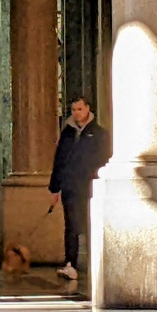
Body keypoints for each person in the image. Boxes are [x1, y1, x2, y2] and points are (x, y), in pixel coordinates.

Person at [48, 96, 111, 280]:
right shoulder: (67, 133)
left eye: (80, 109)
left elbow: (103, 160)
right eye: (74, 110)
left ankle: (96, 263)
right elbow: (59, 161)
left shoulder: (99, 134)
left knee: (91, 224)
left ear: (88, 109)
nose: (76, 113)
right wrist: (55, 188)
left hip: (90, 187)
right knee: (71, 226)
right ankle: (71, 264)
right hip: (70, 187)